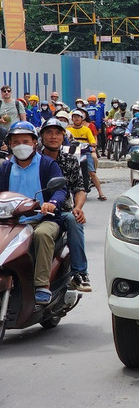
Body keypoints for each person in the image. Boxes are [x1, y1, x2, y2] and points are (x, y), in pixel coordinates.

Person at [0, 121, 69, 305]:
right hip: (12, 220)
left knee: (42, 235)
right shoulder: (5, 167)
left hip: (43, 218)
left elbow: (61, 189)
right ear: (10, 144)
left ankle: (41, 286)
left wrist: (52, 203)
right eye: (16, 142)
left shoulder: (47, 164)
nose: (20, 145)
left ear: (34, 143)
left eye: (25, 141)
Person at [39, 118, 92, 292]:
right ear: (41, 137)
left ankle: (79, 273)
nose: (53, 137)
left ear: (63, 137)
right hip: (32, 210)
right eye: (49, 132)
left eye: (57, 133)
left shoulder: (70, 160)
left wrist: (78, 208)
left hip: (61, 211)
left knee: (74, 220)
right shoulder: (32, 158)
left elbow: (79, 189)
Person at [66, 109, 107, 201]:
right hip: (72, 153)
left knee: (92, 172)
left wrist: (91, 144)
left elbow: (93, 142)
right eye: (74, 117)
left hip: (85, 152)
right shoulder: (68, 129)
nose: (76, 119)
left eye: (78, 117)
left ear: (82, 119)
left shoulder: (87, 129)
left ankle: (100, 192)